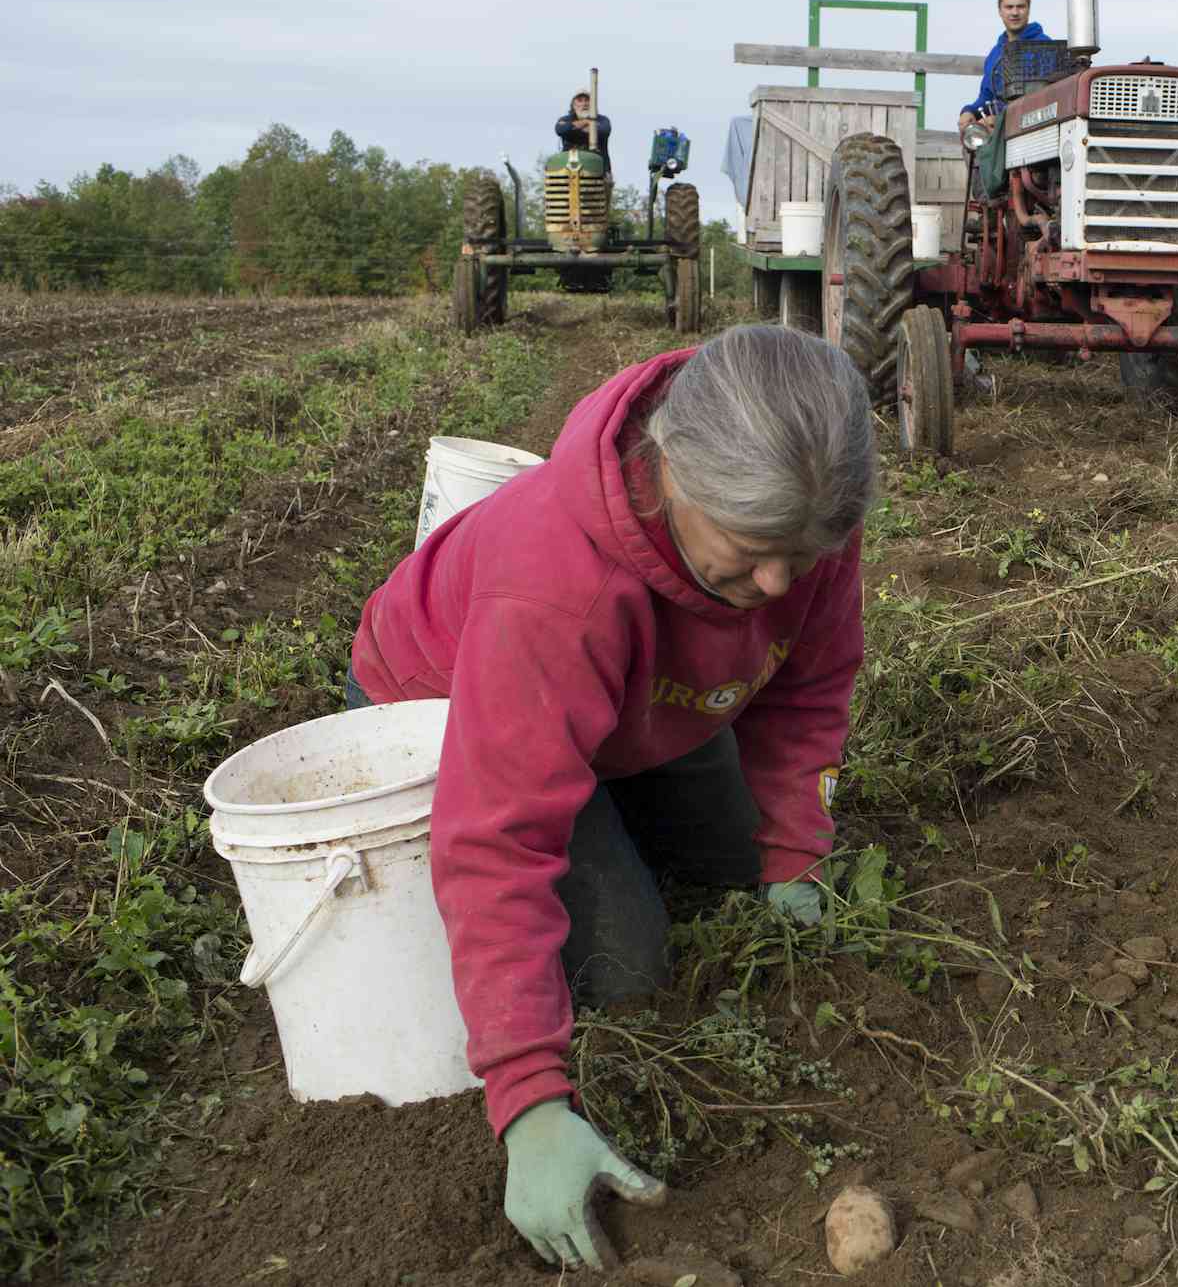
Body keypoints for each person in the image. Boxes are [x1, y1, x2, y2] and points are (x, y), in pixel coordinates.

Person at [345, 325, 876, 1271]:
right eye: (754, 551)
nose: (778, 583)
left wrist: (798, 849)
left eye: (801, 553)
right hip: (444, 703)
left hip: (638, 704)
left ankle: (615, 799)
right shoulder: (558, 586)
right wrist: (528, 1097)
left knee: (732, 877)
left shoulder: (798, 512)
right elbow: (500, 839)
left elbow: (808, 690)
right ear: (675, 469)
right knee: (627, 970)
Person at [957, 0, 1049, 136]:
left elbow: (1044, 97)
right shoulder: (995, 54)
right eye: (1009, 7)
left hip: (1033, 130)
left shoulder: (1045, 47)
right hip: (998, 131)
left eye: (1020, 6)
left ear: (1028, 10)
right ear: (1000, 11)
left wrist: (1002, 118)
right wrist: (969, 111)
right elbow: (986, 96)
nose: (1015, 12)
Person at [556, 90, 613, 160]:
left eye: (587, 100)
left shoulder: (603, 119)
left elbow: (604, 131)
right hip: (570, 164)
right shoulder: (565, 119)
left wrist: (574, 128)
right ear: (574, 105)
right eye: (580, 101)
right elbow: (561, 129)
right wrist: (588, 122)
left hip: (597, 165)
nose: (584, 104)